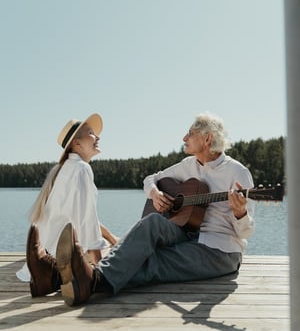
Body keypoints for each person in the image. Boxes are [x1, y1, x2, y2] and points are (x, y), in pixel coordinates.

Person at [40, 112, 256, 306]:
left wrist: (240, 213)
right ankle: (82, 277)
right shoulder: (189, 165)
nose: (184, 138)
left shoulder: (238, 173)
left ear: (207, 138)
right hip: (188, 233)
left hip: (219, 250)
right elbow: (151, 179)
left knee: (156, 261)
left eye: (190, 134)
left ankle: (72, 278)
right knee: (151, 223)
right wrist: (155, 193)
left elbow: (245, 233)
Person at [17, 113, 118, 297]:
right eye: (91, 133)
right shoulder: (81, 169)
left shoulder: (65, 170)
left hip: (50, 251)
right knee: (124, 254)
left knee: (116, 245)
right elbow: (87, 221)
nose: (98, 137)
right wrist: (102, 269)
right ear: (77, 144)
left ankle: (49, 275)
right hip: (64, 255)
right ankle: (61, 274)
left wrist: (111, 237)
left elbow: (84, 217)